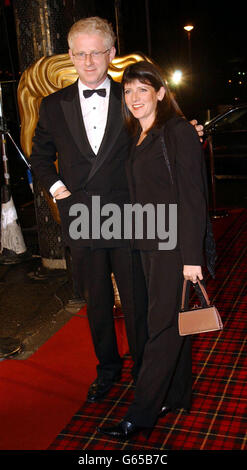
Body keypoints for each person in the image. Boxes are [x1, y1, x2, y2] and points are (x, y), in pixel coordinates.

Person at [30, 17, 204, 404]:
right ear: (70, 56)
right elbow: (39, 156)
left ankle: (147, 372)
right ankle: (107, 369)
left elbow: (163, 128)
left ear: (111, 54)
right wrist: (60, 192)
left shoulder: (131, 97)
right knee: (97, 306)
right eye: (80, 53)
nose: (89, 61)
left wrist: (189, 130)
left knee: (139, 301)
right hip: (82, 217)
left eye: (97, 52)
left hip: (130, 217)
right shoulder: (53, 105)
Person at [97, 60, 208, 439]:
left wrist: (192, 257)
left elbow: (192, 196)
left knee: (162, 328)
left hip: (175, 248)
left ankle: (140, 414)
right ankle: (175, 395)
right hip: (147, 244)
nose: (134, 97)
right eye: (128, 91)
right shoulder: (137, 136)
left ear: (160, 92)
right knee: (171, 322)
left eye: (142, 89)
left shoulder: (176, 131)